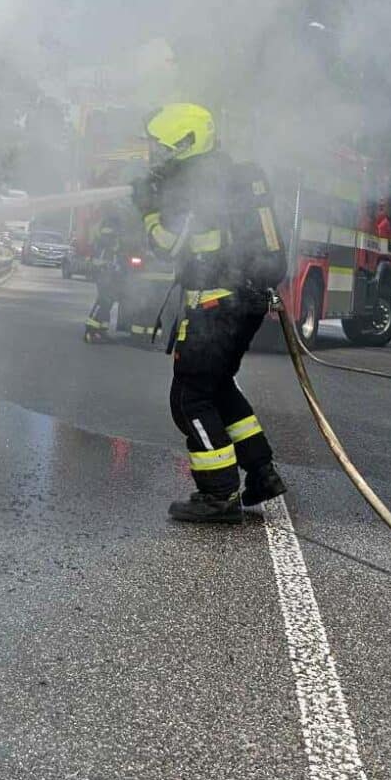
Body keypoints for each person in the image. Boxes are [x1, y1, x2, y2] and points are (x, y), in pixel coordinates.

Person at [132, 103, 287, 524]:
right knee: (217, 388)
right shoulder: (228, 175)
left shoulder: (198, 185)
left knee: (190, 398)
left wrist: (148, 211)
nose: (156, 155)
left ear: (185, 144)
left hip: (216, 306)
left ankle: (218, 494)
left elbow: (169, 244)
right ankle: (261, 472)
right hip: (244, 303)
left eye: (162, 147)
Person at [83, 217, 125, 342]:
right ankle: (90, 329)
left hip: (109, 275)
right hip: (104, 275)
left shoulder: (108, 240)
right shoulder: (105, 241)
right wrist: (108, 265)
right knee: (103, 301)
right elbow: (101, 259)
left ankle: (102, 330)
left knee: (108, 303)